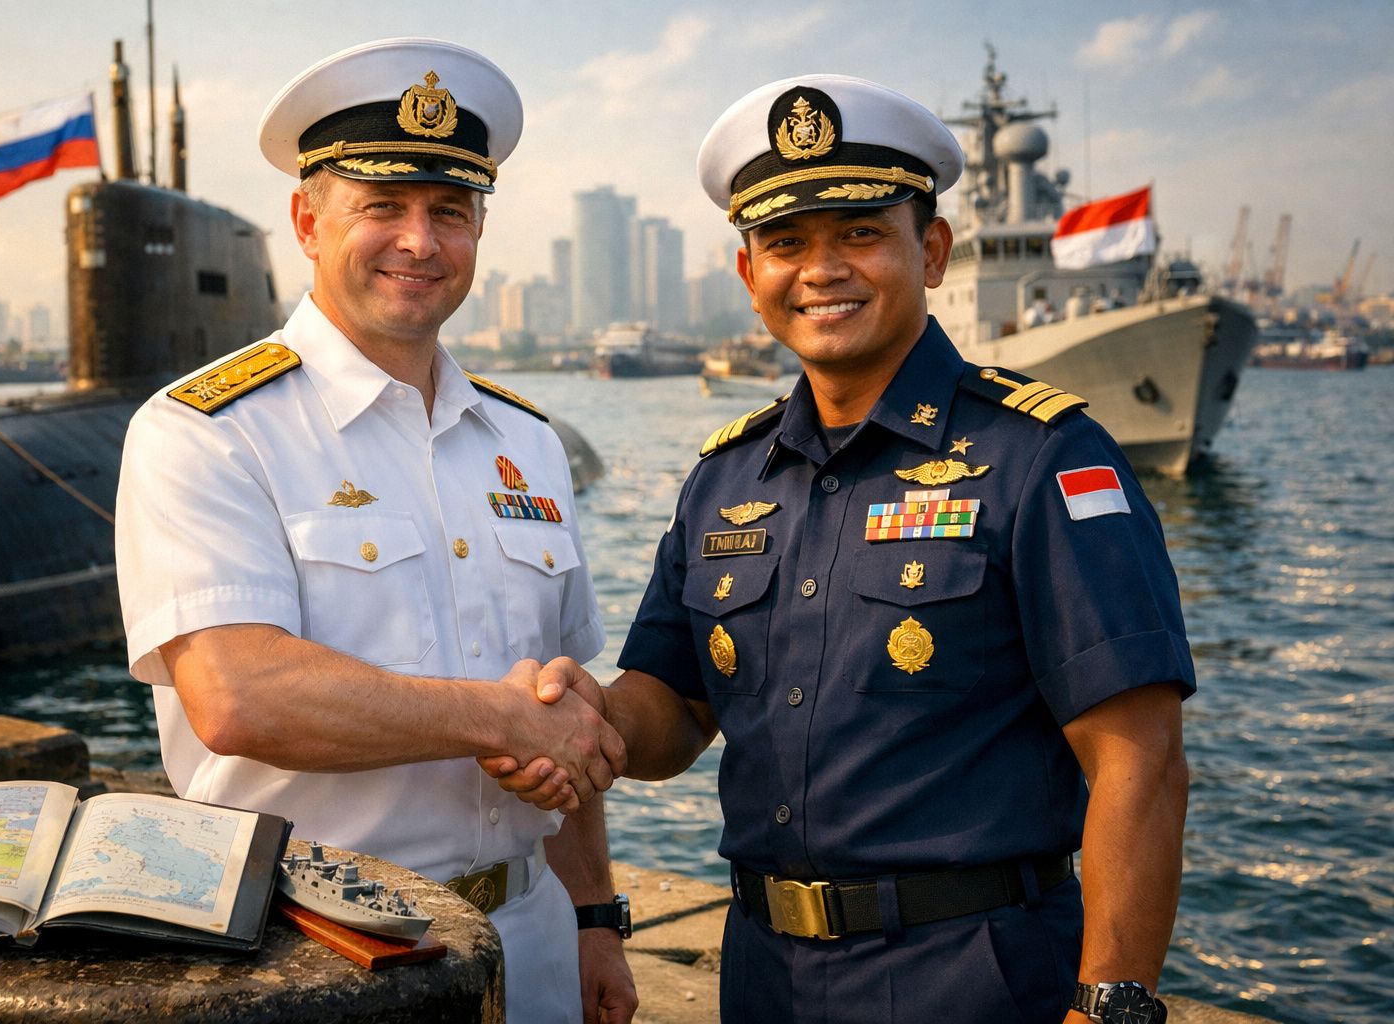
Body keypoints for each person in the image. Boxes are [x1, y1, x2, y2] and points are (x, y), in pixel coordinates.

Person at [490, 75, 1190, 1023]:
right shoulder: (725, 479)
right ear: (750, 278)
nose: (822, 269)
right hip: (766, 975)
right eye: (785, 242)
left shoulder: (1040, 458)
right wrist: (590, 720)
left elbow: (1138, 758)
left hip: (976, 975)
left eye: (860, 232)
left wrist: (1109, 1006)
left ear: (931, 250)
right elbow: (677, 705)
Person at [115, 38, 635, 1024]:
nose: (420, 241)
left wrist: (594, 915)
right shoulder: (206, 431)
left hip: (530, 934)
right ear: (309, 220)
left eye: (451, 212)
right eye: (382, 207)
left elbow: (558, 708)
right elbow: (237, 693)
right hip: (314, 957)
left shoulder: (524, 441)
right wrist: (498, 717)